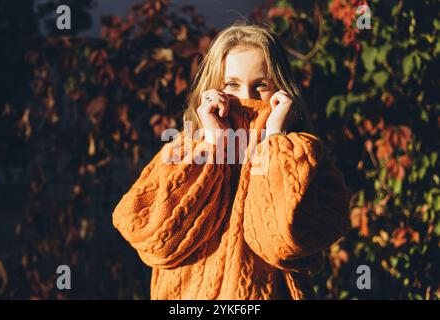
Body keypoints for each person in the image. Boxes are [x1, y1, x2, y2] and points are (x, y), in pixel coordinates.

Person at [112, 22, 350, 300]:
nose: (246, 98)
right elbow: (153, 240)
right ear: (213, 88)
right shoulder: (184, 151)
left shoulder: (303, 156)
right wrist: (212, 147)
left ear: (282, 91)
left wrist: (274, 141)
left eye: (260, 85)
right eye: (232, 85)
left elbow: (282, 243)